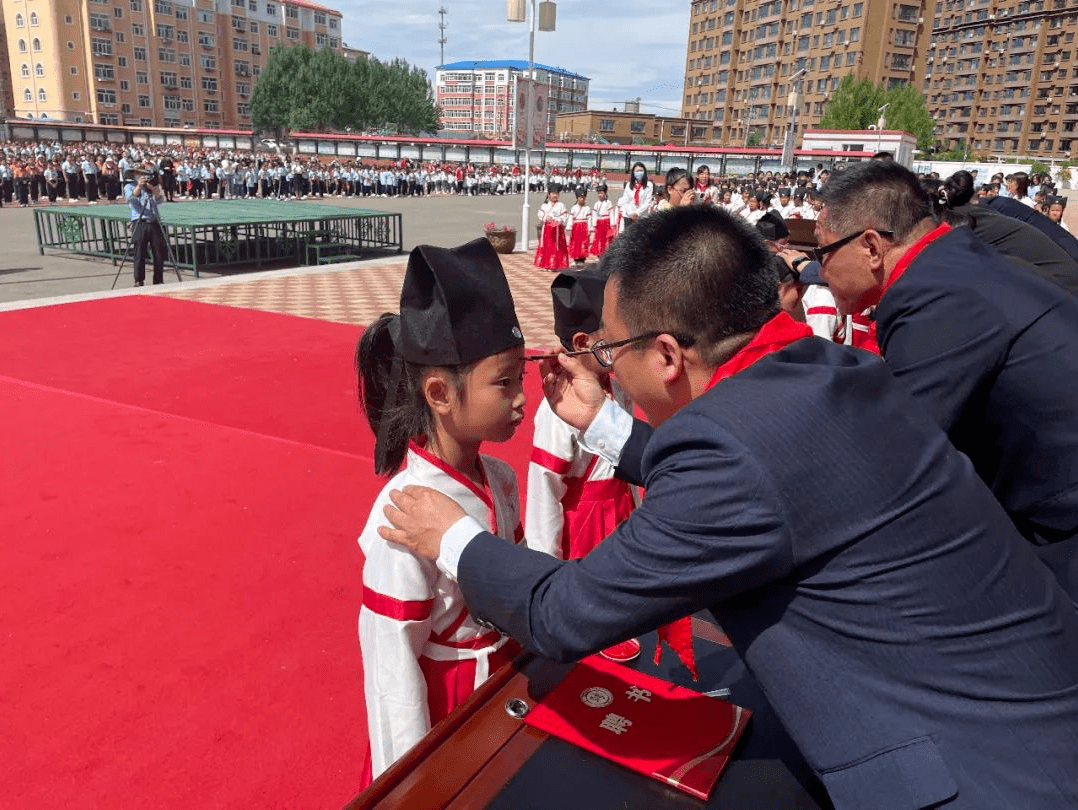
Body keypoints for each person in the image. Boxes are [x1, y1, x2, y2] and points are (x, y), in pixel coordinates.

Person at [379, 205, 1078, 810]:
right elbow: (766, 474)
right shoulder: (832, 371)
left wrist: (456, 540)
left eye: (613, 351)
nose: (607, 370)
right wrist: (603, 421)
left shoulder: (733, 451)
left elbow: (563, 612)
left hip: (981, 774)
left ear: (666, 356)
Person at [813, 160, 1078, 600]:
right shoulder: (955, 260)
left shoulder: (931, 295)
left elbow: (897, 454)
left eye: (823, 252)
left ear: (872, 247)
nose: (820, 271)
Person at [355, 238, 528, 785]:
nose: (523, 398)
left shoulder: (499, 479)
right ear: (439, 392)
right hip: (443, 707)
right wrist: (412, 779)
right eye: (505, 382)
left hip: (504, 688)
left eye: (521, 377)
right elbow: (391, 662)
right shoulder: (402, 512)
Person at [525, 270, 645, 664]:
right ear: (582, 343)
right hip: (586, 525)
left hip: (621, 508)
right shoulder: (556, 410)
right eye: (611, 338)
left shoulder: (617, 383)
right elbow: (545, 491)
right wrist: (545, 572)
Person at [123, 168, 167, 287]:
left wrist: (155, 189)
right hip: (139, 221)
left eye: (144, 174)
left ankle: (158, 280)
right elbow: (131, 199)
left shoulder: (150, 186)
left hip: (153, 220)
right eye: (140, 174)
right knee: (139, 252)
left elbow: (159, 201)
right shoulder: (129, 186)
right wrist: (139, 186)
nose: (143, 176)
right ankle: (139, 280)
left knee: (159, 252)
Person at [534, 187, 569, 271]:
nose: (555, 195)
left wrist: (558, 220)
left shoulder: (561, 205)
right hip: (547, 230)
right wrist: (546, 217)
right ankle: (546, 264)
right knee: (547, 245)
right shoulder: (545, 205)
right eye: (553, 193)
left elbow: (565, 215)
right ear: (549, 194)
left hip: (557, 230)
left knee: (556, 246)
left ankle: (555, 265)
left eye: (556, 194)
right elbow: (540, 213)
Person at [617, 162, 654, 230]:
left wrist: (637, 213)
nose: (639, 172)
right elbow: (626, 201)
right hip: (628, 216)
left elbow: (647, 202)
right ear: (633, 173)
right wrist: (631, 213)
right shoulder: (629, 185)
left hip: (642, 217)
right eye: (637, 171)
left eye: (641, 171)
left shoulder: (649, 185)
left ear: (644, 172)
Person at [566, 186, 592, 266]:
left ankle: (582, 259)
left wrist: (590, 229)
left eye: (583, 198)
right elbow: (571, 218)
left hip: (584, 226)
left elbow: (589, 219)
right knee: (575, 242)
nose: (582, 199)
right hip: (576, 227)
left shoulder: (587, 208)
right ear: (577, 198)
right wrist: (569, 227)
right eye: (580, 198)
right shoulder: (574, 208)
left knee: (583, 242)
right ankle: (575, 258)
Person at [589, 183, 616, 258]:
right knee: (598, 239)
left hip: (606, 222)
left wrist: (612, 224)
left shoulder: (608, 202)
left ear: (605, 193)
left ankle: (607, 253)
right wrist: (594, 224)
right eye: (598, 193)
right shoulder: (596, 204)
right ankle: (599, 253)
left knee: (606, 239)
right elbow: (594, 215)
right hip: (599, 222)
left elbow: (611, 213)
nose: (600, 195)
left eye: (601, 193)